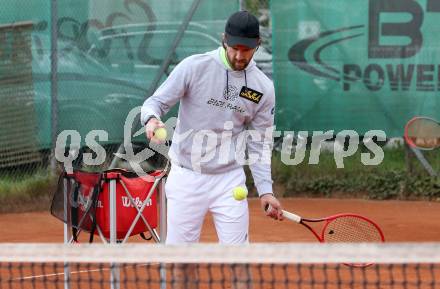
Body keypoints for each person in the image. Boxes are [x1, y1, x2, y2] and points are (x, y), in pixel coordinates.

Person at [141, 10, 283, 288]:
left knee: (239, 262)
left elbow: (259, 142)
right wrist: (151, 119)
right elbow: (155, 102)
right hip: (186, 177)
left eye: (248, 49)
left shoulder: (262, 88)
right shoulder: (194, 67)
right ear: (224, 41)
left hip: (229, 182)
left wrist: (266, 190)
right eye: (236, 48)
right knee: (182, 262)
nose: (241, 56)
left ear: (257, 45)